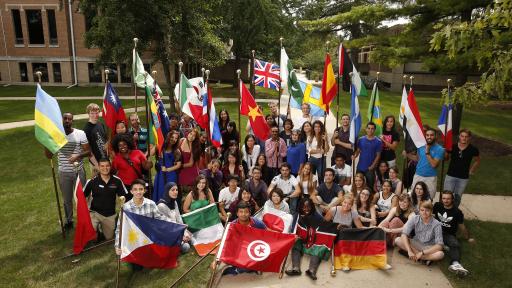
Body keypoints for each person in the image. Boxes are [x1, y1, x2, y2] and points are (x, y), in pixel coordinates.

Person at [45, 112, 91, 230]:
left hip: (78, 171)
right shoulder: (57, 135)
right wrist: (47, 142)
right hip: (64, 172)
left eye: (69, 119)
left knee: (81, 197)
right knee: (67, 199)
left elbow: (88, 152)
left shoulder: (80, 133)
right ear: (62, 120)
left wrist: (77, 155)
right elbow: (49, 155)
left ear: (72, 121)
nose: (67, 120)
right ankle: (69, 220)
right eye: (65, 118)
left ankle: (84, 219)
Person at [115, 179, 167, 270]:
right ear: (131, 191)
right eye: (135, 189)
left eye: (141, 189)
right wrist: (117, 246)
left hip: (149, 239)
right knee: (137, 268)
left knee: (155, 263)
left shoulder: (151, 204)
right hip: (135, 241)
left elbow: (160, 220)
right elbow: (120, 228)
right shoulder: (125, 208)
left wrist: (176, 225)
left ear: (144, 190)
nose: (138, 192)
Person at [84, 158, 130, 240]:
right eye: (102, 166)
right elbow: (82, 196)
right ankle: (96, 230)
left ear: (110, 166)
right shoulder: (92, 181)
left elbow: (123, 196)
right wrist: (85, 211)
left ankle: (103, 229)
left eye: (107, 166)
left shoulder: (117, 181)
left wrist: (123, 202)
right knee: (92, 236)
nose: (105, 168)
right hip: (95, 213)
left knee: (109, 237)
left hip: (110, 214)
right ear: (98, 167)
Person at [285, 197, 328, 280]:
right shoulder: (297, 215)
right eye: (304, 207)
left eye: (308, 206)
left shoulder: (317, 216)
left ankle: (312, 270)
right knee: (295, 244)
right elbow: (294, 228)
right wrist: (295, 236)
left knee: (319, 248)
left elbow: (323, 228)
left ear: (312, 207)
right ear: (300, 207)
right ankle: (296, 268)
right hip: (302, 238)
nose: (306, 209)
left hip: (314, 239)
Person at [433, 190, 475, 276]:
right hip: (435, 231)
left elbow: (462, 226)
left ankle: (455, 264)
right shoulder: (437, 205)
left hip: (448, 234)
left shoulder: (457, 212)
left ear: (452, 199)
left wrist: (468, 237)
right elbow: (430, 215)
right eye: (444, 198)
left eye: (448, 199)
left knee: (455, 244)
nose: (445, 200)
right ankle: (442, 246)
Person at [395, 201, 445, 265]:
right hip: (416, 243)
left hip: (428, 247)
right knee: (398, 240)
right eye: (422, 210)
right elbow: (404, 234)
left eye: (427, 210)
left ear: (431, 211)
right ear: (419, 210)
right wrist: (409, 250)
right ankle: (424, 258)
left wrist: (422, 253)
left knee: (440, 254)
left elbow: (439, 245)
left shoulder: (437, 224)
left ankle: (420, 257)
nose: (424, 212)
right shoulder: (414, 218)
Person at [443, 129, 480, 207]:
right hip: (450, 175)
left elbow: (477, 160)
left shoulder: (473, 149)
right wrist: (446, 152)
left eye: (466, 137)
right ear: (459, 136)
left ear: (469, 138)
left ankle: (454, 213)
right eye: (462, 136)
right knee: (446, 196)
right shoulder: (453, 146)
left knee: (457, 197)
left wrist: (472, 170)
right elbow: (446, 159)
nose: (464, 138)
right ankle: (444, 213)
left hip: (463, 178)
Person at [407, 127, 445, 200]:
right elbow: (418, 159)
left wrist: (427, 151)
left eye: (431, 135)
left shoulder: (440, 149)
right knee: (414, 197)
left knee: (428, 198)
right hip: (418, 175)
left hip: (430, 177)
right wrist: (408, 155)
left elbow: (434, 164)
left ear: (435, 136)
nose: (429, 137)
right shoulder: (421, 146)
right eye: (427, 135)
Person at [157, 182, 192, 253]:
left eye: (176, 190)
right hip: (168, 234)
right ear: (167, 191)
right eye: (172, 190)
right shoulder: (161, 206)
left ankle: (180, 243)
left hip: (177, 229)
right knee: (186, 247)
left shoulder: (174, 202)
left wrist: (184, 233)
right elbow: (168, 226)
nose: (175, 192)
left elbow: (179, 219)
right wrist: (181, 236)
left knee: (191, 239)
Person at [153, 131, 181, 203]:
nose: (173, 139)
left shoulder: (176, 151)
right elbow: (150, 153)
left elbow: (178, 165)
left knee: (170, 193)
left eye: (176, 138)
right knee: (160, 191)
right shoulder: (161, 147)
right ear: (168, 137)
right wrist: (157, 146)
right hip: (160, 174)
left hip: (171, 175)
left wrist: (167, 169)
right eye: (172, 137)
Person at [353, 122, 382, 191]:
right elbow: (358, 150)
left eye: (372, 129)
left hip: (370, 168)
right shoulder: (361, 139)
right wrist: (355, 156)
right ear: (366, 129)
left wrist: (372, 166)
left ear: (374, 130)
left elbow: (378, 155)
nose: (370, 130)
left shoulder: (378, 141)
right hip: (360, 166)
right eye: (368, 128)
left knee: (370, 186)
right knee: (357, 184)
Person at [83, 103, 107, 171]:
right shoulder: (86, 130)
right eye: (92, 113)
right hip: (95, 163)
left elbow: (105, 140)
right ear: (88, 114)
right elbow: (88, 151)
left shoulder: (100, 124)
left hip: (105, 160)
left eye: (97, 113)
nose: (95, 115)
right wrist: (96, 165)